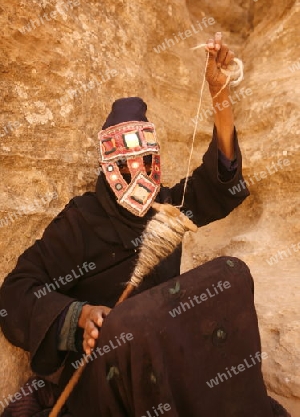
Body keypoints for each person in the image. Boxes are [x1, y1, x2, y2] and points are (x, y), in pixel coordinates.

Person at [0, 33, 290, 417]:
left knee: (231, 276)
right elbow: (14, 294)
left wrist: (220, 95)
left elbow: (218, 185)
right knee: (131, 326)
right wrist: (79, 317)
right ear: (108, 169)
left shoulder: (167, 207)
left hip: (162, 358)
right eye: (125, 165)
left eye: (148, 161)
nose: (140, 174)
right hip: (108, 377)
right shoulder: (82, 220)